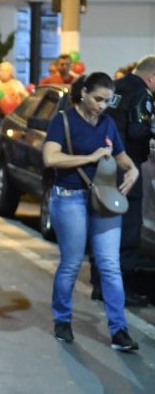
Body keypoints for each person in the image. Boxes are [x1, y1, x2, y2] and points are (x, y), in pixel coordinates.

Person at [42, 72, 140, 352]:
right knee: (71, 263)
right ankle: (62, 319)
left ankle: (119, 330)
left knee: (110, 265)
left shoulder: (107, 123)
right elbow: (50, 157)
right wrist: (90, 158)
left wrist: (131, 167)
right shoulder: (63, 121)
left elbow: (119, 154)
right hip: (69, 198)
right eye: (98, 99)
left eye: (107, 101)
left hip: (104, 198)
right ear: (83, 92)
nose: (102, 106)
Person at [92, 55, 155, 306]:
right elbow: (138, 131)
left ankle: (99, 284)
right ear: (152, 77)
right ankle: (119, 288)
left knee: (104, 227)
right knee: (127, 229)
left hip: (103, 166)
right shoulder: (144, 94)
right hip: (127, 168)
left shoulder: (114, 87)